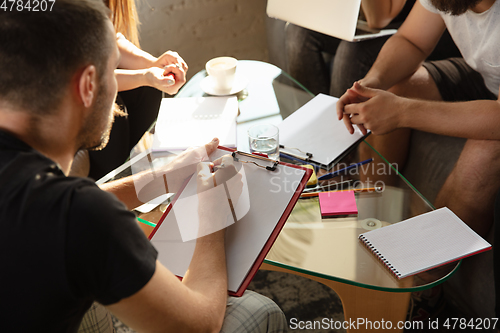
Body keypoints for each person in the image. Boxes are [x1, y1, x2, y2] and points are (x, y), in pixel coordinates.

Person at [0, 2, 287, 332]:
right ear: (88, 85)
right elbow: (200, 324)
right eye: (113, 72)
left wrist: (162, 178)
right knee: (262, 310)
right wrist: (211, 218)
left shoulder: (49, 200)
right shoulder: (84, 218)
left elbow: (57, 211)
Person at [336, 0, 500, 237]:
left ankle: (424, 269)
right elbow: (411, 41)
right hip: (487, 79)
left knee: (480, 160)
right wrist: (371, 84)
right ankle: (371, 225)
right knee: (393, 89)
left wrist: (401, 111)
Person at [79, 0, 189, 181]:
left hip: (91, 73)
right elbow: (88, 76)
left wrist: (153, 64)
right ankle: (108, 184)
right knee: (114, 109)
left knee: (148, 90)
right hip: (66, 85)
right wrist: (144, 75)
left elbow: (112, 39)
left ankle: (127, 169)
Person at [284, 0, 461, 98]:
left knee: (351, 51)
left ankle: (340, 150)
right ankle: (309, 130)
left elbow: (378, 19)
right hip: (368, 21)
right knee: (298, 33)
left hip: (421, 27)